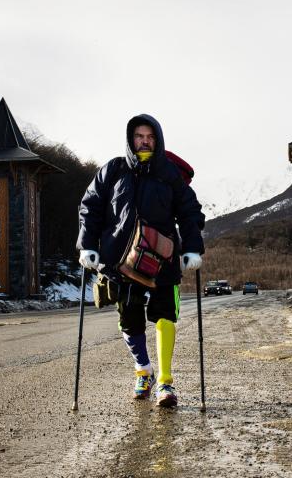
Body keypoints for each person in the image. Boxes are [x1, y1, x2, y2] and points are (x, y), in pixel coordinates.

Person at [77, 114, 205, 407]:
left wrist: (193, 248)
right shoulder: (113, 169)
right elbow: (90, 207)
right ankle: (143, 370)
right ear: (130, 139)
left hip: (163, 257)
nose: (144, 141)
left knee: (164, 315)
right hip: (121, 259)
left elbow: (189, 211)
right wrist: (87, 245)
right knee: (129, 320)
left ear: (157, 140)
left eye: (149, 136)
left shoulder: (169, 172)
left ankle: (165, 383)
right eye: (139, 136)